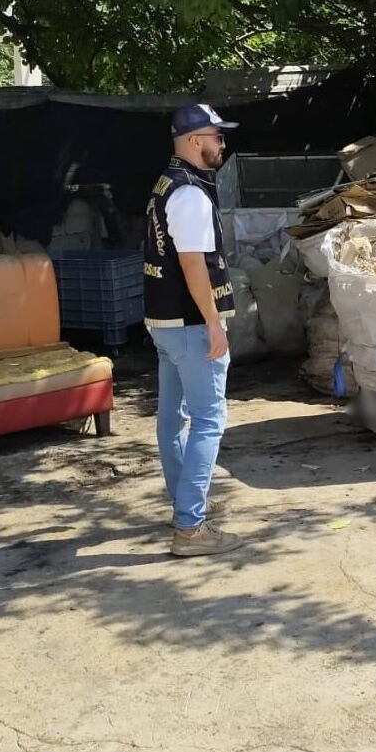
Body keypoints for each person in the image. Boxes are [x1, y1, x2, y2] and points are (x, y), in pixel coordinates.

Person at [143, 104, 242, 557]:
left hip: (164, 323)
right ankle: (189, 528)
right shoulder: (190, 194)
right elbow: (192, 264)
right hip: (189, 325)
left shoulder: (166, 184)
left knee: (171, 419)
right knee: (208, 421)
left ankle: (186, 502)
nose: (222, 143)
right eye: (216, 136)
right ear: (193, 140)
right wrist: (213, 324)